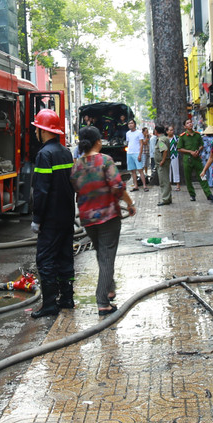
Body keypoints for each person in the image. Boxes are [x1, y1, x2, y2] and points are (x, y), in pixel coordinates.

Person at [70, 126, 135, 315]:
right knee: (107, 256)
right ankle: (102, 301)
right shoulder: (105, 160)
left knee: (102, 253)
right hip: (108, 217)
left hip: (87, 218)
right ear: (98, 141)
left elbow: (76, 187)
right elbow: (118, 186)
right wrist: (130, 204)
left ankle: (110, 288)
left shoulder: (77, 165)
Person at [30, 108, 75, 320]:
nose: (35, 133)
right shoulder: (66, 152)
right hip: (66, 215)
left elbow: (41, 191)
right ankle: (67, 298)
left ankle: (49, 304)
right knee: (65, 257)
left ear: (43, 131)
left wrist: (37, 219)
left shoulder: (44, 155)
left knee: (45, 259)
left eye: (37, 129)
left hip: (50, 218)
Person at [175, 117, 212, 202]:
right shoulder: (183, 136)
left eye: (190, 122)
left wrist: (198, 150)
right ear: (185, 126)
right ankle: (192, 195)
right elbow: (179, 148)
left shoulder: (197, 135)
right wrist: (190, 152)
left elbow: (202, 145)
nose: (190, 124)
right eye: (187, 123)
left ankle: (208, 194)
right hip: (187, 159)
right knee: (188, 178)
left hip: (197, 159)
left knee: (202, 176)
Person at [123, 120, 146, 191]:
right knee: (132, 171)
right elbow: (128, 142)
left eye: (131, 123)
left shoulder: (139, 133)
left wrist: (140, 154)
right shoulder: (127, 133)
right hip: (129, 153)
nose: (130, 125)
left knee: (140, 170)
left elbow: (141, 144)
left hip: (137, 153)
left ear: (135, 124)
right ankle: (136, 186)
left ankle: (145, 186)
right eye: (129, 123)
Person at [153, 124, 172, 206]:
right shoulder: (165, 138)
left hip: (162, 164)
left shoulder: (161, 140)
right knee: (165, 180)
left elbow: (164, 150)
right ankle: (168, 198)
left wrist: (162, 161)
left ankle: (165, 199)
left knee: (164, 181)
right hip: (164, 163)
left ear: (156, 131)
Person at [200, 124, 213, 201]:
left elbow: (201, 148)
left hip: (204, 156)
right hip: (211, 157)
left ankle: (206, 183)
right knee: (211, 171)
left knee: (205, 171)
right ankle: (211, 183)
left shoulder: (203, 139)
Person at [167, 124, 181, 191]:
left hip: (174, 155)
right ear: (167, 131)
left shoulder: (176, 138)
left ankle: (178, 185)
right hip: (167, 156)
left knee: (176, 169)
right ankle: (169, 185)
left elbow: (179, 145)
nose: (171, 131)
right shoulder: (165, 139)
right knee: (168, 171)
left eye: (172, 130)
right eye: (170, 130)